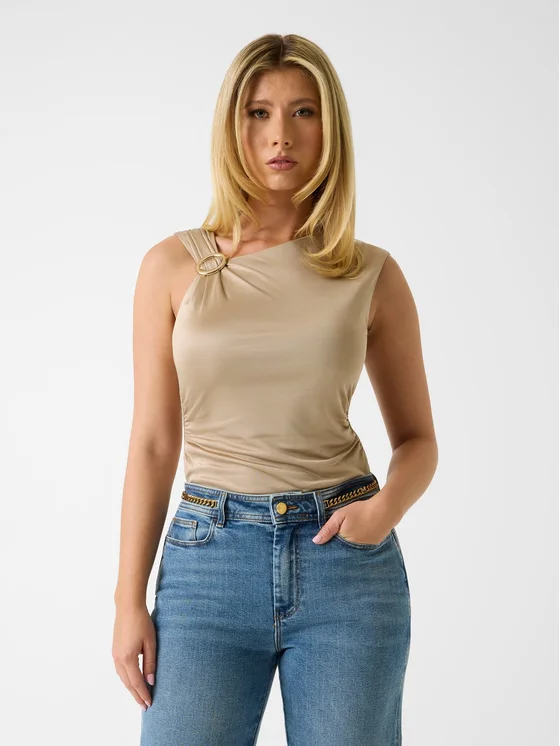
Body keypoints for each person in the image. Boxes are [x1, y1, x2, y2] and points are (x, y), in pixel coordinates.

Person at [112, 33, 438, 746]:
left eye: (303, 112)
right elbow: (154, 443)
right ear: (232, 126)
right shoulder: (171, 267)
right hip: (208, 563)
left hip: (345, 564)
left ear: (330, 127)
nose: (280, 135)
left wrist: (383, 512)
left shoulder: (371, 274)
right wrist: (126, 600)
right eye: (258, 112)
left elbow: (418, 441)